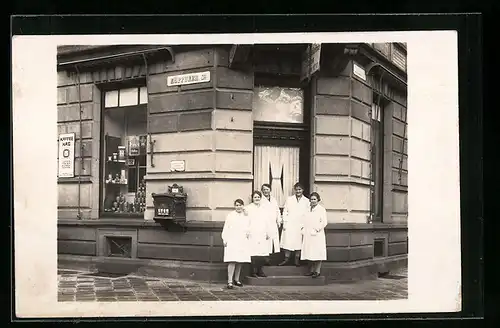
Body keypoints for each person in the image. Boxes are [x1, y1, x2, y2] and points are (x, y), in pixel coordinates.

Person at [221, 199, 251, 289]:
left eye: (240, 205)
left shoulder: (246, 216)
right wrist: (224, 239)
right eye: (237, 205)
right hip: (232, 239)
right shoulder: (230, 215)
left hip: (242, 240)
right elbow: (226, 227)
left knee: (239, 261)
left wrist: (248, 234)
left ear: (243, 206)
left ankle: (236, 279)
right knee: (232, 260)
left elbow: (249, 227)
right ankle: (229, 281)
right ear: (234, 206)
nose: (238, 207)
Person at [279, 182, 310, 266]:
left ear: (302, 190)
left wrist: (304, 225)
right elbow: (285, 211)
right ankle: (286, 259)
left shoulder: (306, 201)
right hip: (290, 223)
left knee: (299, 242)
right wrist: (285, 222)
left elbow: (307, 214)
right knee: (287, 241)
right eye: (296, 190)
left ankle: (297, 259)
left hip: (300, 224)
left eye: (299, 189)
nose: (298, 191)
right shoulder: (289, 199)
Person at [301, 192, 328, 278]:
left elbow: (324, 222)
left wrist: (316, 229)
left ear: (318, 200)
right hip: (308, 234)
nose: (313, 201)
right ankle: (311, 270)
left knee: (317, 253)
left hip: (317, 235)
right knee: (309, 252)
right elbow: (304, 219)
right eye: (311, 199)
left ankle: (317, 271)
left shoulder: (321, 209)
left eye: (314, 199)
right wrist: (303, 229)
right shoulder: (307, 209)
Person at [246, 190, 272, 277]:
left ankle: (260, 270)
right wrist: (247, 231)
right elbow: (246, 221)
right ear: (252, 198)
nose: (256, 199)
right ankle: (253, 271)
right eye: (255, 197)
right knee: (253, 253)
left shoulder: (264, 209)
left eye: (258, 197)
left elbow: (267, 221)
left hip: (262, 233)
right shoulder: (248, 208)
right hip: (252, 233)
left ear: (260, 198)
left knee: (262, 253)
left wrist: (268, 232)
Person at [260, 183, 281, 258]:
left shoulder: (273, 199)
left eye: (267, 189)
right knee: (265, 240)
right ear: (262, 190)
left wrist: (279, 220)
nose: (266, 191)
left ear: (270, 190)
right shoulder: (260, 200)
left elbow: (277, 210)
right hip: (264, 224)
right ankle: (265, 258)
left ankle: (271, 258)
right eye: (264, 189)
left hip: (273, 223)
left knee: (273, 241)